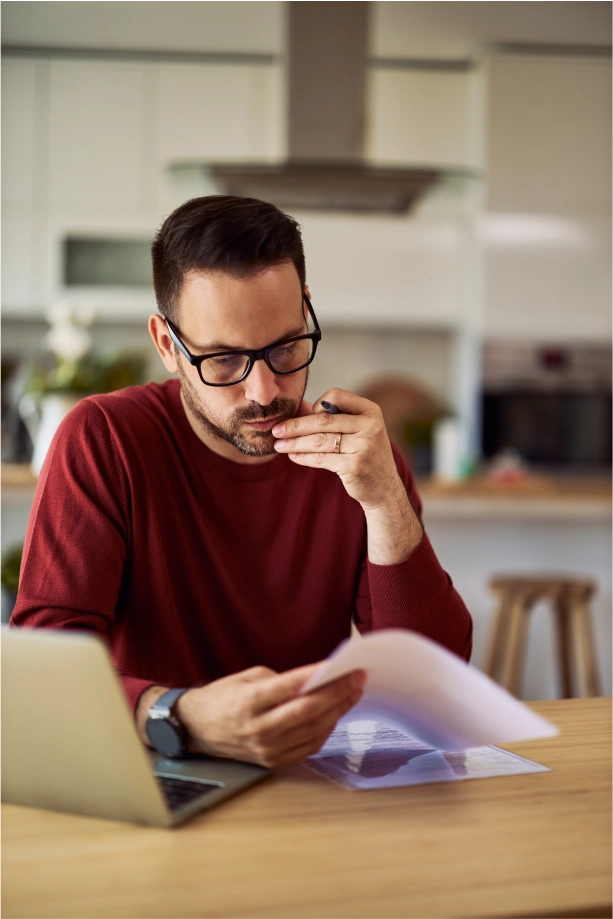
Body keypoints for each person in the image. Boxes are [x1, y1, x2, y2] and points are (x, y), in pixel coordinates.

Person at [11, 195, 472, 768]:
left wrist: (386, 503)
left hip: (305, 780)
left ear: (307, 312)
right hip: (152, 767)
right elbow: (42, 667)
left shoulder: (360, 460)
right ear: (166, 345)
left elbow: (433, 697)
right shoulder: (105, 439)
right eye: (224, 360)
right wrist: (177, 716)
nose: (263, 393)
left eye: (284, 348)